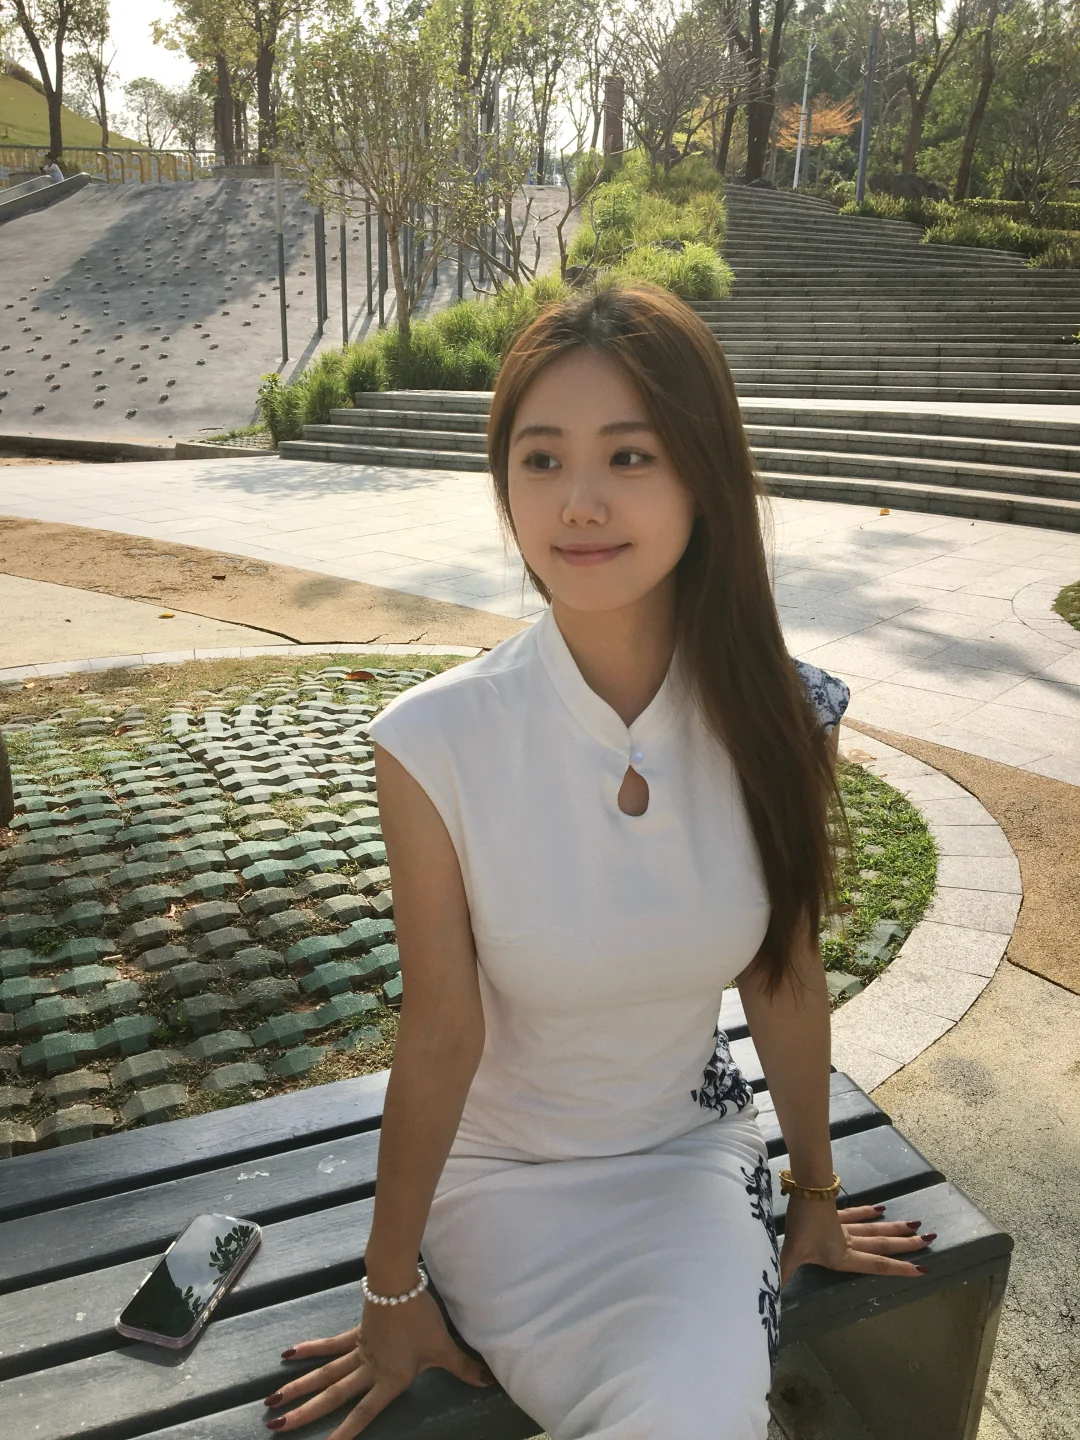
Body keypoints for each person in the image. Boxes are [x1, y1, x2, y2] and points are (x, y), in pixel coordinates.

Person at [263, 282, 935, 1440]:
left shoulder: (786, 715)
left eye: (630, 456)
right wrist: (389, 1289)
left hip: (687, 1161)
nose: (578, 502)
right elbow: (439, 1034)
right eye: (541, 459)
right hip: (502, 1183)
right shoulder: (433, 742)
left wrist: (816, 1192)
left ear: (702, 478)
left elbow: (783, 975)